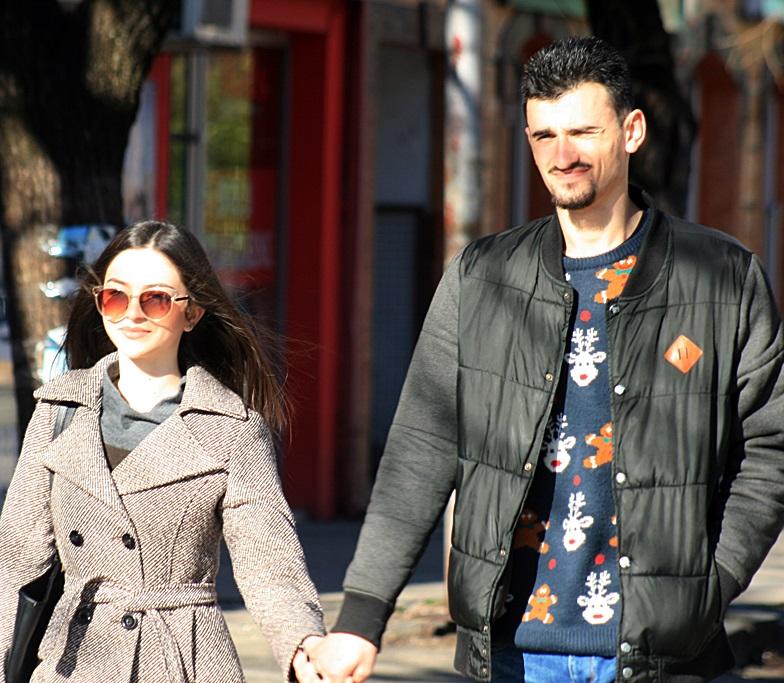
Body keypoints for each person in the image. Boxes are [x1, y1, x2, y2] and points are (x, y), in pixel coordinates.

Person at [308, 36, 784, 683]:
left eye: (583, 132)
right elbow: (421, 449)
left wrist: (708, 584)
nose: (563, 156)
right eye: (543, 136)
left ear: (632, 131)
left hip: (662, 654)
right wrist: (360, 617)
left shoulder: (722, 277)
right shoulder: (482, 278)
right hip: (512, 652)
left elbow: (769, 447)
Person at [0, 220, 325, 683]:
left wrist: (303, 642)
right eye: (116, 296)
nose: (132, 313)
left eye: (155, 299)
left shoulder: (231, 426)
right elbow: (16, 563)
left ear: (192, 314)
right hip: (75, 660)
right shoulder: (60, 409)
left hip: (183, 660)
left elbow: (268, 562)